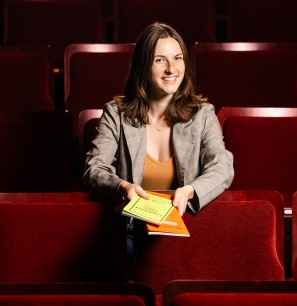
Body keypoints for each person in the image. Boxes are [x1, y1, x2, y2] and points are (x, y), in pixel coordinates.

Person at [83, 22, 234, 216]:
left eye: (177, 58)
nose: (171, 69)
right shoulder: (115, 114)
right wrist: (122, 187)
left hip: (188, 225)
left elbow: (222, 167)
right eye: (160, 60)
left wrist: (191, 191)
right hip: (131, 232)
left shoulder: (203, 114)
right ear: (143, 66)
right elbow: (94, 169)